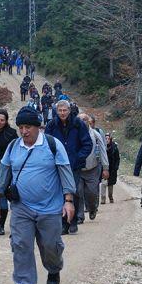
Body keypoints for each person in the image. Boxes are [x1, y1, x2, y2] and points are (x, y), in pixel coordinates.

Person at [0, 107, 76, 284]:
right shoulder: (13, 146)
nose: (24, 131)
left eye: (28, 127)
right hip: (22, 207)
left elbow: (65, 173)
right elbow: (2, 173)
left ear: (38, 127)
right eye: (20, 127)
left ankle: (54, 268)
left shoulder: (52, 145)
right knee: (20, 244)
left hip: (50, 207)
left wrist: (68, 201)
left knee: (50, 246)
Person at [44, 100, 93, 235]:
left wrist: (78, 157)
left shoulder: (79, 124)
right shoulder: (51, 125)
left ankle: (73, 221)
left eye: (64, 110)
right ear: (56, 111)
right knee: (60, 193)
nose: (62, 113)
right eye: (60, 110)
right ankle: (63, 223)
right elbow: (46, 144)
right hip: (57, 165)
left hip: (74, 165)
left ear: (69, 110)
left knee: (73, 191)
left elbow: (87, 144)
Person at [77, 113, 109, 222]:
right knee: (78, 192)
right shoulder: (73, 134)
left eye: (85, 120)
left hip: (93, 169)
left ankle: (92, 208)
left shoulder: (95, 134)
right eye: (80, 120)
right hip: (78, 169)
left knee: (92, 193)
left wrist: (105, 168)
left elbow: (103, 151)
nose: (83, 122)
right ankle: (79, 216)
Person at [101, 133, 120, 204]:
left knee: (110, 184)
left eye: (108, 139)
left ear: (110, 139)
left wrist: (116, 167)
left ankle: (110, 196)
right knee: (103, 183)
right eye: (105, 139)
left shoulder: (114, 147)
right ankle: (103, 199)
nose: (106, 140)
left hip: (112, 168)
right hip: (104, 168)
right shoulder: (102, 147)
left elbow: (117, 158)